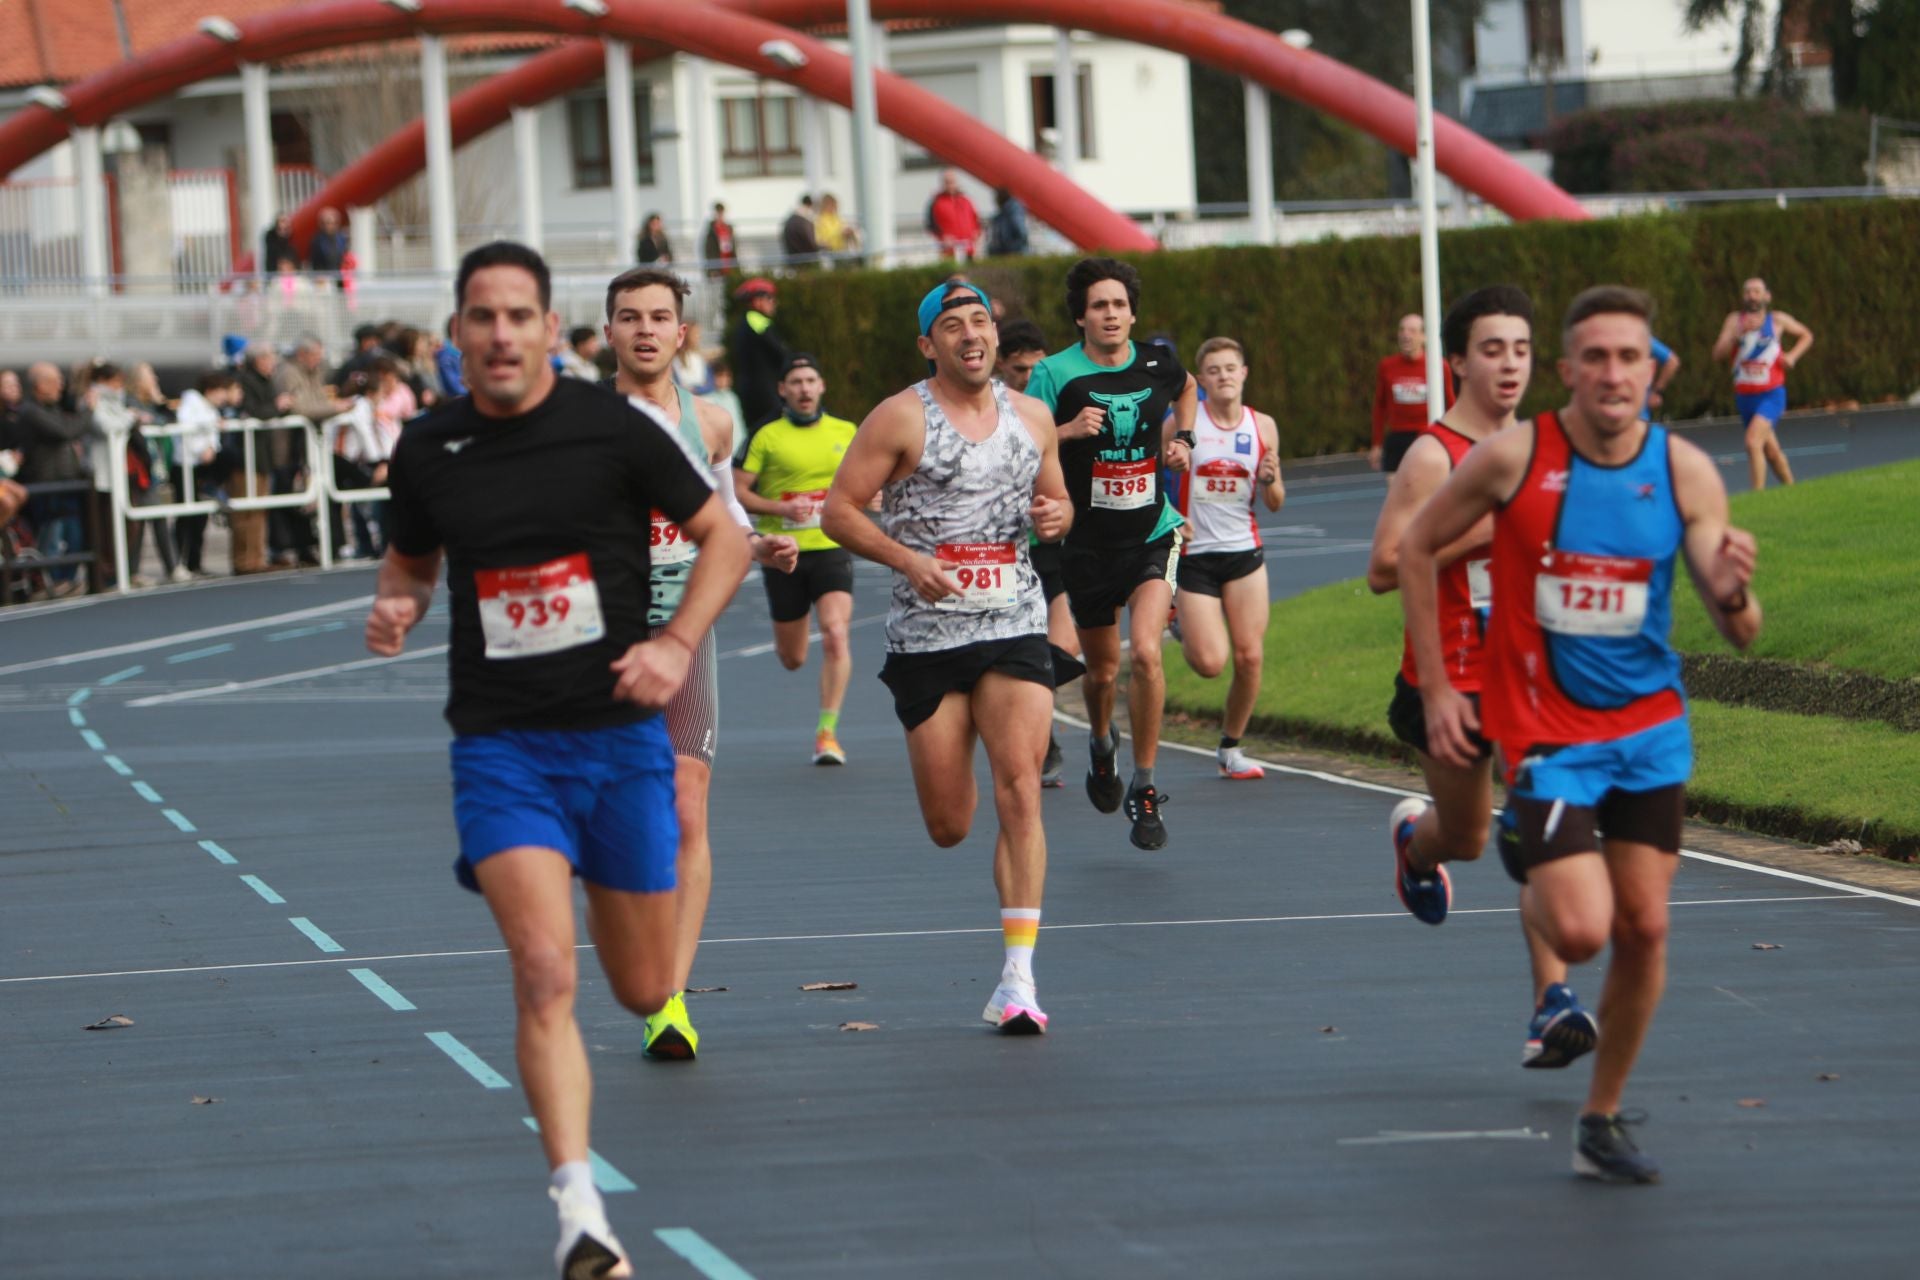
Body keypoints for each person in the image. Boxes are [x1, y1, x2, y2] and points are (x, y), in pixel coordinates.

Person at [365, 241, 748, 1278]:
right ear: (456, 333)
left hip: (619, 740)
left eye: (518, 316)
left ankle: (616, 905)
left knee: (640, 981)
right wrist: (399, 599)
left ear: (546, 328)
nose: (499, 334)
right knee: (543, 970)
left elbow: (726, 537)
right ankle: (582, 1212)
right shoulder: (428, 446)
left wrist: (675, 645)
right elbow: (412, 554)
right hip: (501, 746)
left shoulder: (613, 429)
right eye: (480, 316)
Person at [1399, 284, 1762, 1185]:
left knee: (1644, 926)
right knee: (1585, 929)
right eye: (1594, 357)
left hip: (1650, 733)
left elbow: (1740, 628)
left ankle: (1598, 1118)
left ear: (1653, 372)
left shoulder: (1685, 472)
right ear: (1568, 371)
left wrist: (1733, 588)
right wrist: (1440, 689)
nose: (1612, 373)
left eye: (1629, 358)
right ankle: (1493, 846)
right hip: (1545, 731)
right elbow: (1410, 550)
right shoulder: (1514, 457)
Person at [822, 279, 1072, 1030]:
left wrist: (1057, 515)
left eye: (981, 322)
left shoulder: (1033, 416)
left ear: (996, 336)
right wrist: (908, 561)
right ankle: (1012, 970)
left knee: (1021, 787)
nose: (972, 334)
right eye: (953, 325)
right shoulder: (901, 417)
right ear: (930, 345)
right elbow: (839, 510)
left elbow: (1052, 506)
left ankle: (1018, 981)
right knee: (951, 823)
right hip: (928, 636)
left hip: (1013, 618)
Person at [1366, 284, 1599, 1070]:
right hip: (1451, 675)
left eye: (1522, 350)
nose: (1509, 364)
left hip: (1533, 676)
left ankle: (1552, 1004)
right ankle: (1416, 847)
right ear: (1458, 361)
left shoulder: (1547, 446)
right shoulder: (1434, 455)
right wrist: (1488, 529)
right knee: (1466, 836)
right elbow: (1383, 568)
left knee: (1534, 834)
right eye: (1492, 349)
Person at [602, 265, 800, 1058]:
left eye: (659, 317)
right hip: (603, 642)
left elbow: (719, 521)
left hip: (686, 630)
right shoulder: (578, 423)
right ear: (609, 333)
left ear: (682, 332)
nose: (645, 330)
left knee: (688, 802)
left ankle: (670, 1001)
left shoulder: (712, 422)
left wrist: (760, 545)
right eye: (629, 317)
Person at [1026, 258, 1196, 849]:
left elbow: (1187, 387)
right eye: (1099, 306)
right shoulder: (1053, 374)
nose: (1111, 315)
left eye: (1119, 305)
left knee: (1146, 654)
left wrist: (1185, 439)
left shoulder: (1157, 362)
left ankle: (1145, 787)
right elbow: (1022, 439)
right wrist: (1067, 432)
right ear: (1081, 317)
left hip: (1152, 534)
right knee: (1100, 672)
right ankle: (1102, 743)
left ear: (1132, 313)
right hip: (1087, 545)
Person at [733, 354, 859, 764]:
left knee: (837, 632)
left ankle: (827, 733)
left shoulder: (847, 431)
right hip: (781, 552)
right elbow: (737, 491)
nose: (804, 388)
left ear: (822, 386)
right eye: (796, 382)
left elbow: (867, 481)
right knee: (793, 658)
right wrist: (782, 508)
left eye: (811, 380)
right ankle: (794, 636)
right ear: (782, 390)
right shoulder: (765, 435)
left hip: (830, 548)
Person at [1169, 337, 1284, 780]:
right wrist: (1170, 516)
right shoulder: (1186, 421)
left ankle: (1231, 748)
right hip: (1196, 555)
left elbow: (1275, 501)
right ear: (1203, 380)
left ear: (1244, 373)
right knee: (1211, 663)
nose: (1223, 377)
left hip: (1244, 553)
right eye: (1213, 370)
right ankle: (1178, 619)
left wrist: (1272, 481)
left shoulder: (1263, 426)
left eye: (1230, 368)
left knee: (1250, 656)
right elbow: (1153, 469)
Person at [994, 319, 1079, 784]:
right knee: (1015, 652)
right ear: (1002, 368)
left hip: (1055, 542)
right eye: (1018, 369)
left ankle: (1041, 728)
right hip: (1006, 547)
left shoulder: (1066, 400)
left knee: (1063, 645)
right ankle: (1037, 733)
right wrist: (1064, 432)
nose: (1028, 378)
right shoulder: (995, 410)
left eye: (1036, 368)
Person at [1711, 277, 1812, 491]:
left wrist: (1792, 356)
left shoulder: (1776, 320)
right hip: (1745, 397)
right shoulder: (1734, 321)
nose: (1752, 296)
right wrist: (1735, 338)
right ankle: (1794, 492)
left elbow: (1806, 335)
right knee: (1772, 452)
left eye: (1757, 291)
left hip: (1771, 394)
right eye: (1748, 292)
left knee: (1752, 442)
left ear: (1767, 296)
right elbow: (1717, 354)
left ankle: (1757, 499)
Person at [171, 370, 243, 579]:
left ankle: (195, 562)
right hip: (185, 464)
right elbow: (185, 424)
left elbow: (213, 437)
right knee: (186, 517)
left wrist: (210, 446)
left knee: (200, 518)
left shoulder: (212, 409)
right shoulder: (191, 401)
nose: (224, 397)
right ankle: (180, 563)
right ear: (210, 390)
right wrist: (203, 445)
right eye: (221, 391)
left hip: (202, 464)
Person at [1370, 313, 1454, 472]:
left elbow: (1450, 404)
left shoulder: (1439, 366)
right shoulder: (1387, 366)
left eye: (1412, 331)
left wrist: (1454, 440)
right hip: (1397, 437)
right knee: (1396, 493)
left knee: (1428, 490)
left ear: (1424, 337)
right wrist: (1376, 444)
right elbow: (1379, 407)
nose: (1405, 335)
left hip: (1427, 437)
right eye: (1402, 330)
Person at [727, 277, 790, 430]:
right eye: (770, 298)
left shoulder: (746, 321)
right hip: (764, 393)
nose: (774, 302)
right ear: (757, 301)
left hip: (753, 391)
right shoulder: (757, 321)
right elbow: (780, 353)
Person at [926, 169, 982, 261]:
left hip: (970, 250)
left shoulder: (966, 201)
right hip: (949, 251)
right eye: (947, 182)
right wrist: (942, 237)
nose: (950, 185)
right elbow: (931, 225)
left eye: (952, 182)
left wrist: (977, 234)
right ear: (942, 184)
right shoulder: (936, 203)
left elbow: (977, 221)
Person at [307, 207, 350, 285]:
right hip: (324, 279)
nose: (331, 226)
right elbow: (314, 261)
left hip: (340, 278)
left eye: (333, 223)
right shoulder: (317, 240)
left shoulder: (341, 238)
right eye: (328, 223)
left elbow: (345, 256)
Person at [1644, 335, 1679, 422]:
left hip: (1638, 417)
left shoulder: (1638, 338)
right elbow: (1672, 361)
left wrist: (1656, 392)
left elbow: (1672, 362)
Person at [987, 187, 1029, 258]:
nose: (995, 201)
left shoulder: (1013, 212)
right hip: (1007, 250)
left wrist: (1015, 247)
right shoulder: (1004, 213)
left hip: (1013, 251)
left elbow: (1020, 231)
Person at [781, 194, 819, 265]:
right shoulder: (804, 221)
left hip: (792, 259)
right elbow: (811, 243)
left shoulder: (791, 219)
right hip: (804, 261)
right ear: (809, 205)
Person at [814, 193, 855, 257]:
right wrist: (839, 234)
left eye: (835, 205)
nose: (835, 208)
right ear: (825, 205)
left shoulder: (837, 218)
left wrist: (847, 232)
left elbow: (842, 228)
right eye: (832, 205)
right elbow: (818, 239)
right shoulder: (819, 220)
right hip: (827, 253)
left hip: (840, 251)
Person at [702, 202, 736, 276]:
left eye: (721, 212)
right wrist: (712, 268)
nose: (720, 215)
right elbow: (709, 250)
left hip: (729, 265)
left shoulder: (728, 228)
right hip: (718, 265)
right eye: (718, 212)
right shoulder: (712, 229)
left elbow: (733, 247)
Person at [262, 214, 296, 280]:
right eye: (282, 221)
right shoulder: (270, 236)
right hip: (273, 271)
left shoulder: (289, 237)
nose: (284, 224)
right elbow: (274, 250)